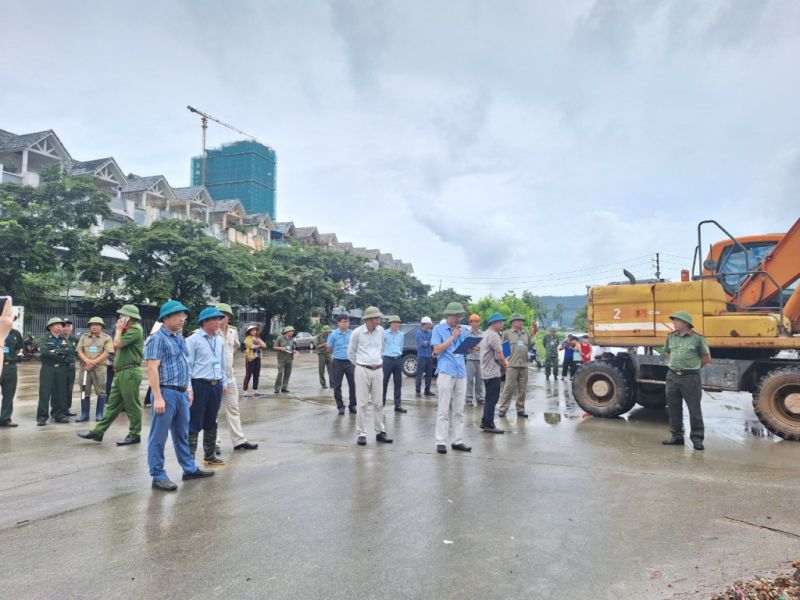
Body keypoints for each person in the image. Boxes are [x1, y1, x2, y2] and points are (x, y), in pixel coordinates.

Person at [145, 300, 214, 492]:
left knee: (182, 434)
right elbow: (152, 369)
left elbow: (185, 364)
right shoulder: (157, 339)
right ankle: (158, 475)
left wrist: (189, 388)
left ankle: (189, 468)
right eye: (178, 315)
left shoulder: (179, 337)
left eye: (183, 315)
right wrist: (157, 397)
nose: (182, 318)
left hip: (182, 392)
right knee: (158, 437)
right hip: (166, 392)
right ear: (165, 318)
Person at [77, 305, 144, 445]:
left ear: (128, 317)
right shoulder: (128, 330)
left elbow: (116, 344)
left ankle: (135, 434)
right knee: (112, 405)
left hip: (130, 372)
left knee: (132, 405)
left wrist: (119, 329)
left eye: (121, 316)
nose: (119, 319)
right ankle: (98, 432)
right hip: (121, 372)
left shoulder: (136, 329)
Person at [662, 311, 711, 451]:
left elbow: (706, 358)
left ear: (685, 323)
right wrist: (673, 365)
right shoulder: (671, 337)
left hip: (690, 378)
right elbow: (668, 352)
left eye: (677, 321)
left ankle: (697, 438)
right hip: (672, 377)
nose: (674, 323)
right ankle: (676, 436)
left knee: (694, 410)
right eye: (674, 321)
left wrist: (693, 368)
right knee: (673, 408)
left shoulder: (697, 338)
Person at [186, 306, 227, 465]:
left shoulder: (219, 339)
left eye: (219, 319)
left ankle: (209, 455)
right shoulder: (193, 340)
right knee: (194, 421)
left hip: (215, 385)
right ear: (205, 321)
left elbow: (222, 362)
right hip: (199, 385)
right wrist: (189, 388)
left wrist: (223, 381)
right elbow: (188, 366)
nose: (218, 322)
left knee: (212, 420)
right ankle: (189, 460)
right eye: (215, 319)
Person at [431, 302, 473, 455]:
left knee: (459, 409)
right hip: (446, 372)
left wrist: (472, 347)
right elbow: (437, 350)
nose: (458, 319)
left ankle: (458, 440)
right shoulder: (438, 329)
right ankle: (440, 440)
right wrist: (452, 336)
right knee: (443, 408)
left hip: (461, 372)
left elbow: (462, 350)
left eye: (460, 316)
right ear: (448, 316)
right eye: (456, 316)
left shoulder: (462, 331)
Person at [216, 303, 258, 452]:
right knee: (213, 411)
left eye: (222, 316)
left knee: (234, 408)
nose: (219, 319)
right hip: (214, 377)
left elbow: (235, 346)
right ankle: (214, 442)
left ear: (228, 317)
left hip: (230, 376)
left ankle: (239, 441)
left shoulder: (232, 331)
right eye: (217, 315)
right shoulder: (211, 332)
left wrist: (228, 355)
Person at [347, 306, 392, 446]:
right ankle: (361, 433)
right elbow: (351, 353)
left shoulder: (381, 331)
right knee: (362, 403)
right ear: (368, 319)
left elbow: (382, 349)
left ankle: (380, 432)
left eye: (379, 318)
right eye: (376, 318)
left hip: (378, 369)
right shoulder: (357, 333)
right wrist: (361, 365)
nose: (379, 320)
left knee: (379, 402)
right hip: (362, 370)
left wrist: (376, 363)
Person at [75, 317, 112, 422]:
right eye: (92, 325)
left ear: (101, 326)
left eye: (96, 324)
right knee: (84, 391)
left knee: (101, 392)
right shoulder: (84, 337)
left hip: (99, 369)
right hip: (85, 369)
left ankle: (99, 414)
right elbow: (79, 350)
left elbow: (107, 352)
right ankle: (84, 414)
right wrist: (87, 361)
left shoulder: (107, 338)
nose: (94, 327)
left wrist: (93, 362)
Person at [36, 317, 70, 425]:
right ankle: (42, 417)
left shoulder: (63, 338)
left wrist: (55, 352)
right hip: (48, 368)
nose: (60, 326)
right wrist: (61, 353)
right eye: (57, 324)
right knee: (45, 393)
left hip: (61, 368)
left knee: (60, 392)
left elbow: (69, 351)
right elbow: (45, 352)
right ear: (50, 327)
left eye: (61, 324)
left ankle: (59, 414)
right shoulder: (44, 338)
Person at [498, 313, 531, 418]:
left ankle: (520, 409)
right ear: (513, 322)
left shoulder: (526, 334)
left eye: (521, 320)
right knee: (508, 387)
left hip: (524, 365)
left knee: (522, 388)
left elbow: (528, 346)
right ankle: (503, 408)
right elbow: (502, 348)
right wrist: (504, 363)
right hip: (512, 365)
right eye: (518, 320)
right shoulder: (507, 333)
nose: (520, 322)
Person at [480, 312, 508, 434]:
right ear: (494, 323)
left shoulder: (485, 334)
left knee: (488, 399)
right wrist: (506, 365)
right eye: (500, 322)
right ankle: (490, 425)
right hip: (493, 372)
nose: (502, 324)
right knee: (492, 399)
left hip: (486, 371)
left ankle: (484, 421)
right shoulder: (494, 336)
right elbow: (500, 356)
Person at [327, 314, 356, 416]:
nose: (346, 324)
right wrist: (339, 353)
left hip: (350, 362)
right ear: (339, 323)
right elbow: (329, 349)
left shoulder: (352, 334)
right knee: (337, 386)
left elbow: (356, 346)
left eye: (348, 322)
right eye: (344, 322)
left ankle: (353, 405)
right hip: (338, 362)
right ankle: (340, 406)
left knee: (353, 384)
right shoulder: (333, 334)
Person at [0, 307, 24, 427]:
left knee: (9, 394)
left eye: (13, 318)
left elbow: (18, 348)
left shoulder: (15, 334)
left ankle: (5, 418)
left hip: (10, 367)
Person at [381, 315, 406, 413]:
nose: (397, 324)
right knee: (384, 383)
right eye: (394, 322)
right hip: (387, 359)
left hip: (398, 359)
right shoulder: (384, 333)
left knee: (398, 383)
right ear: (390, 324)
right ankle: (381, 404)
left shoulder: (401, 334)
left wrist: (398, 355)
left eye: (398, 322)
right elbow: (381, 347)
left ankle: (398, 405)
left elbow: (401, 346)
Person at [464, 313, 484, 407]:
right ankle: (468, 399)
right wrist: (472, 347)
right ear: (470, 323)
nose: (476, 323)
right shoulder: (466, 334)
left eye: (477, 321)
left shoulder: (482, 333)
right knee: (470, 380)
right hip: (470, 359)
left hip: (480, 359)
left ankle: (480, 398)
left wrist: (481, 347)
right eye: (474, 321)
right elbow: (464, 346)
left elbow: (485, 345)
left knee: (480, 380)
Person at [242, 325, 266, 397]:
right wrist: (259, 344)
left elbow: (264, 345)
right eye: (252, 330)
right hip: (250, 358)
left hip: (258, 357)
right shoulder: (247, 338)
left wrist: (259, 343)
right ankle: (245, 391)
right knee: (248, 374)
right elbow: (251, 346)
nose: (254, 331)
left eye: (255, 330)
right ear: (249, 331)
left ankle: (255, 390)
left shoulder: (258, 338)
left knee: (256, 374)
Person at [61, 319, 78, 416]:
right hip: (61, 367)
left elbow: (78, 352)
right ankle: (59, 410)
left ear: (71, 328)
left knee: (69, 389)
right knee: (60, 389)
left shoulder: (74, 339)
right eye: (64, 326)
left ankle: (67, 408)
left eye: (69, 326)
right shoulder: (58, 338)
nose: (66, 328)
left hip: (71, 368)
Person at [273, 326, 298, 393]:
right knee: (280, 373)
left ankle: (284, 387)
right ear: (287, 332)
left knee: (287, 373)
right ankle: (277, 388)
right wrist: (281, 348)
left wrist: (295, 352)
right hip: (281, 358)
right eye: (291, 331)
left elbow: (292, 349)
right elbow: (274, 347)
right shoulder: (280, 338)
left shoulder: (292, 339)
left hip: (289, 358)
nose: (292, 333)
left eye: (293, 331)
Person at [415, 316, 435, 398]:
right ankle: (418, 391)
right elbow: (423, 344)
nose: (430, 325)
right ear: (425, 324)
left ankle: (427, 390)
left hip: (429, 356)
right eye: (429, 323)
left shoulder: (431, 332)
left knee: (429, 374)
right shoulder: (418, 332)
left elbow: (432, 342)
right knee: (419, 374)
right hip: (421, 356)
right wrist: (428, 342)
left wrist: (427, 342)